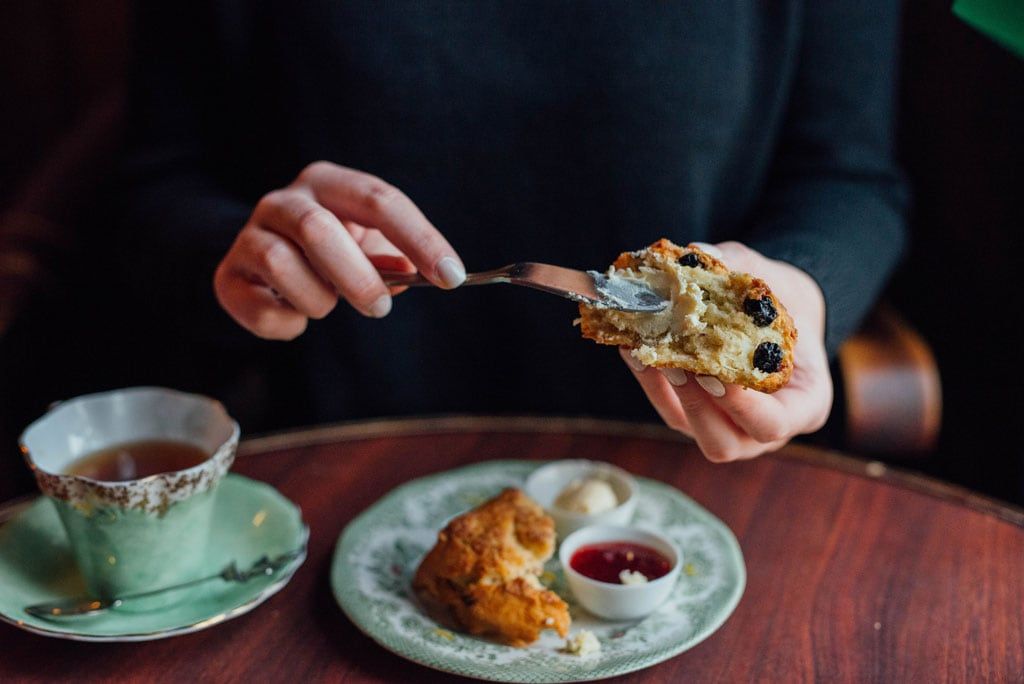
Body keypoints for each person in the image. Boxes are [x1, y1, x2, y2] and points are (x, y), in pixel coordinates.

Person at [118, 3, 906, 463]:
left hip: (692, 480)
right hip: (346, 459)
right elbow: (157, 183)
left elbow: (851, 178)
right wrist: (241, 252)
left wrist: (800, 285)